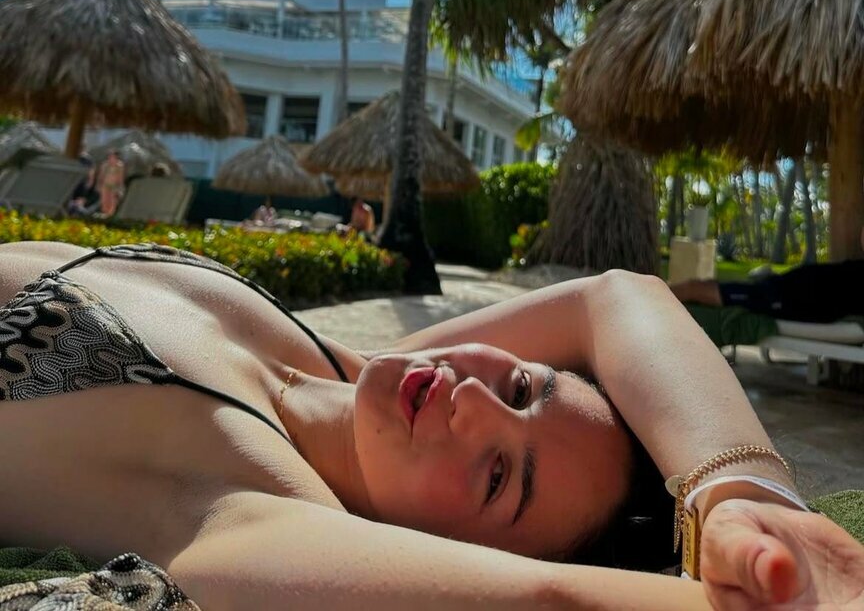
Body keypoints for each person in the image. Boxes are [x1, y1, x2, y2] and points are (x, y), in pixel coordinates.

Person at [0, 241, 861, 611]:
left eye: (498, 476)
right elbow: (617, 297)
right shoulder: (342, 368)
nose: (473, 401)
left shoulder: (243, 501)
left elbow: (550, 599)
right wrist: (744, 496)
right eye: (522, 386)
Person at [671, 259, 864, 323]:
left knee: (694, 288)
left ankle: (654, 299)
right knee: (700, 285)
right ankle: (657, 296)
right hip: (782, 288)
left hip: (784, 298)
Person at [95, 150, 126, 217]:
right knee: (104, 200)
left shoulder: (119, 166)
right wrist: (98, 184)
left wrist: (120, 187)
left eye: (113, 157)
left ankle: (110, 214)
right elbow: (101, 176)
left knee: (112, 201)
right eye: (109, 157)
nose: (111, 158)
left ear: (116, 157)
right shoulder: (105, 165)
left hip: (114, 186)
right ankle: (104, 213)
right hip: (105, 185)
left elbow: (120, 178)